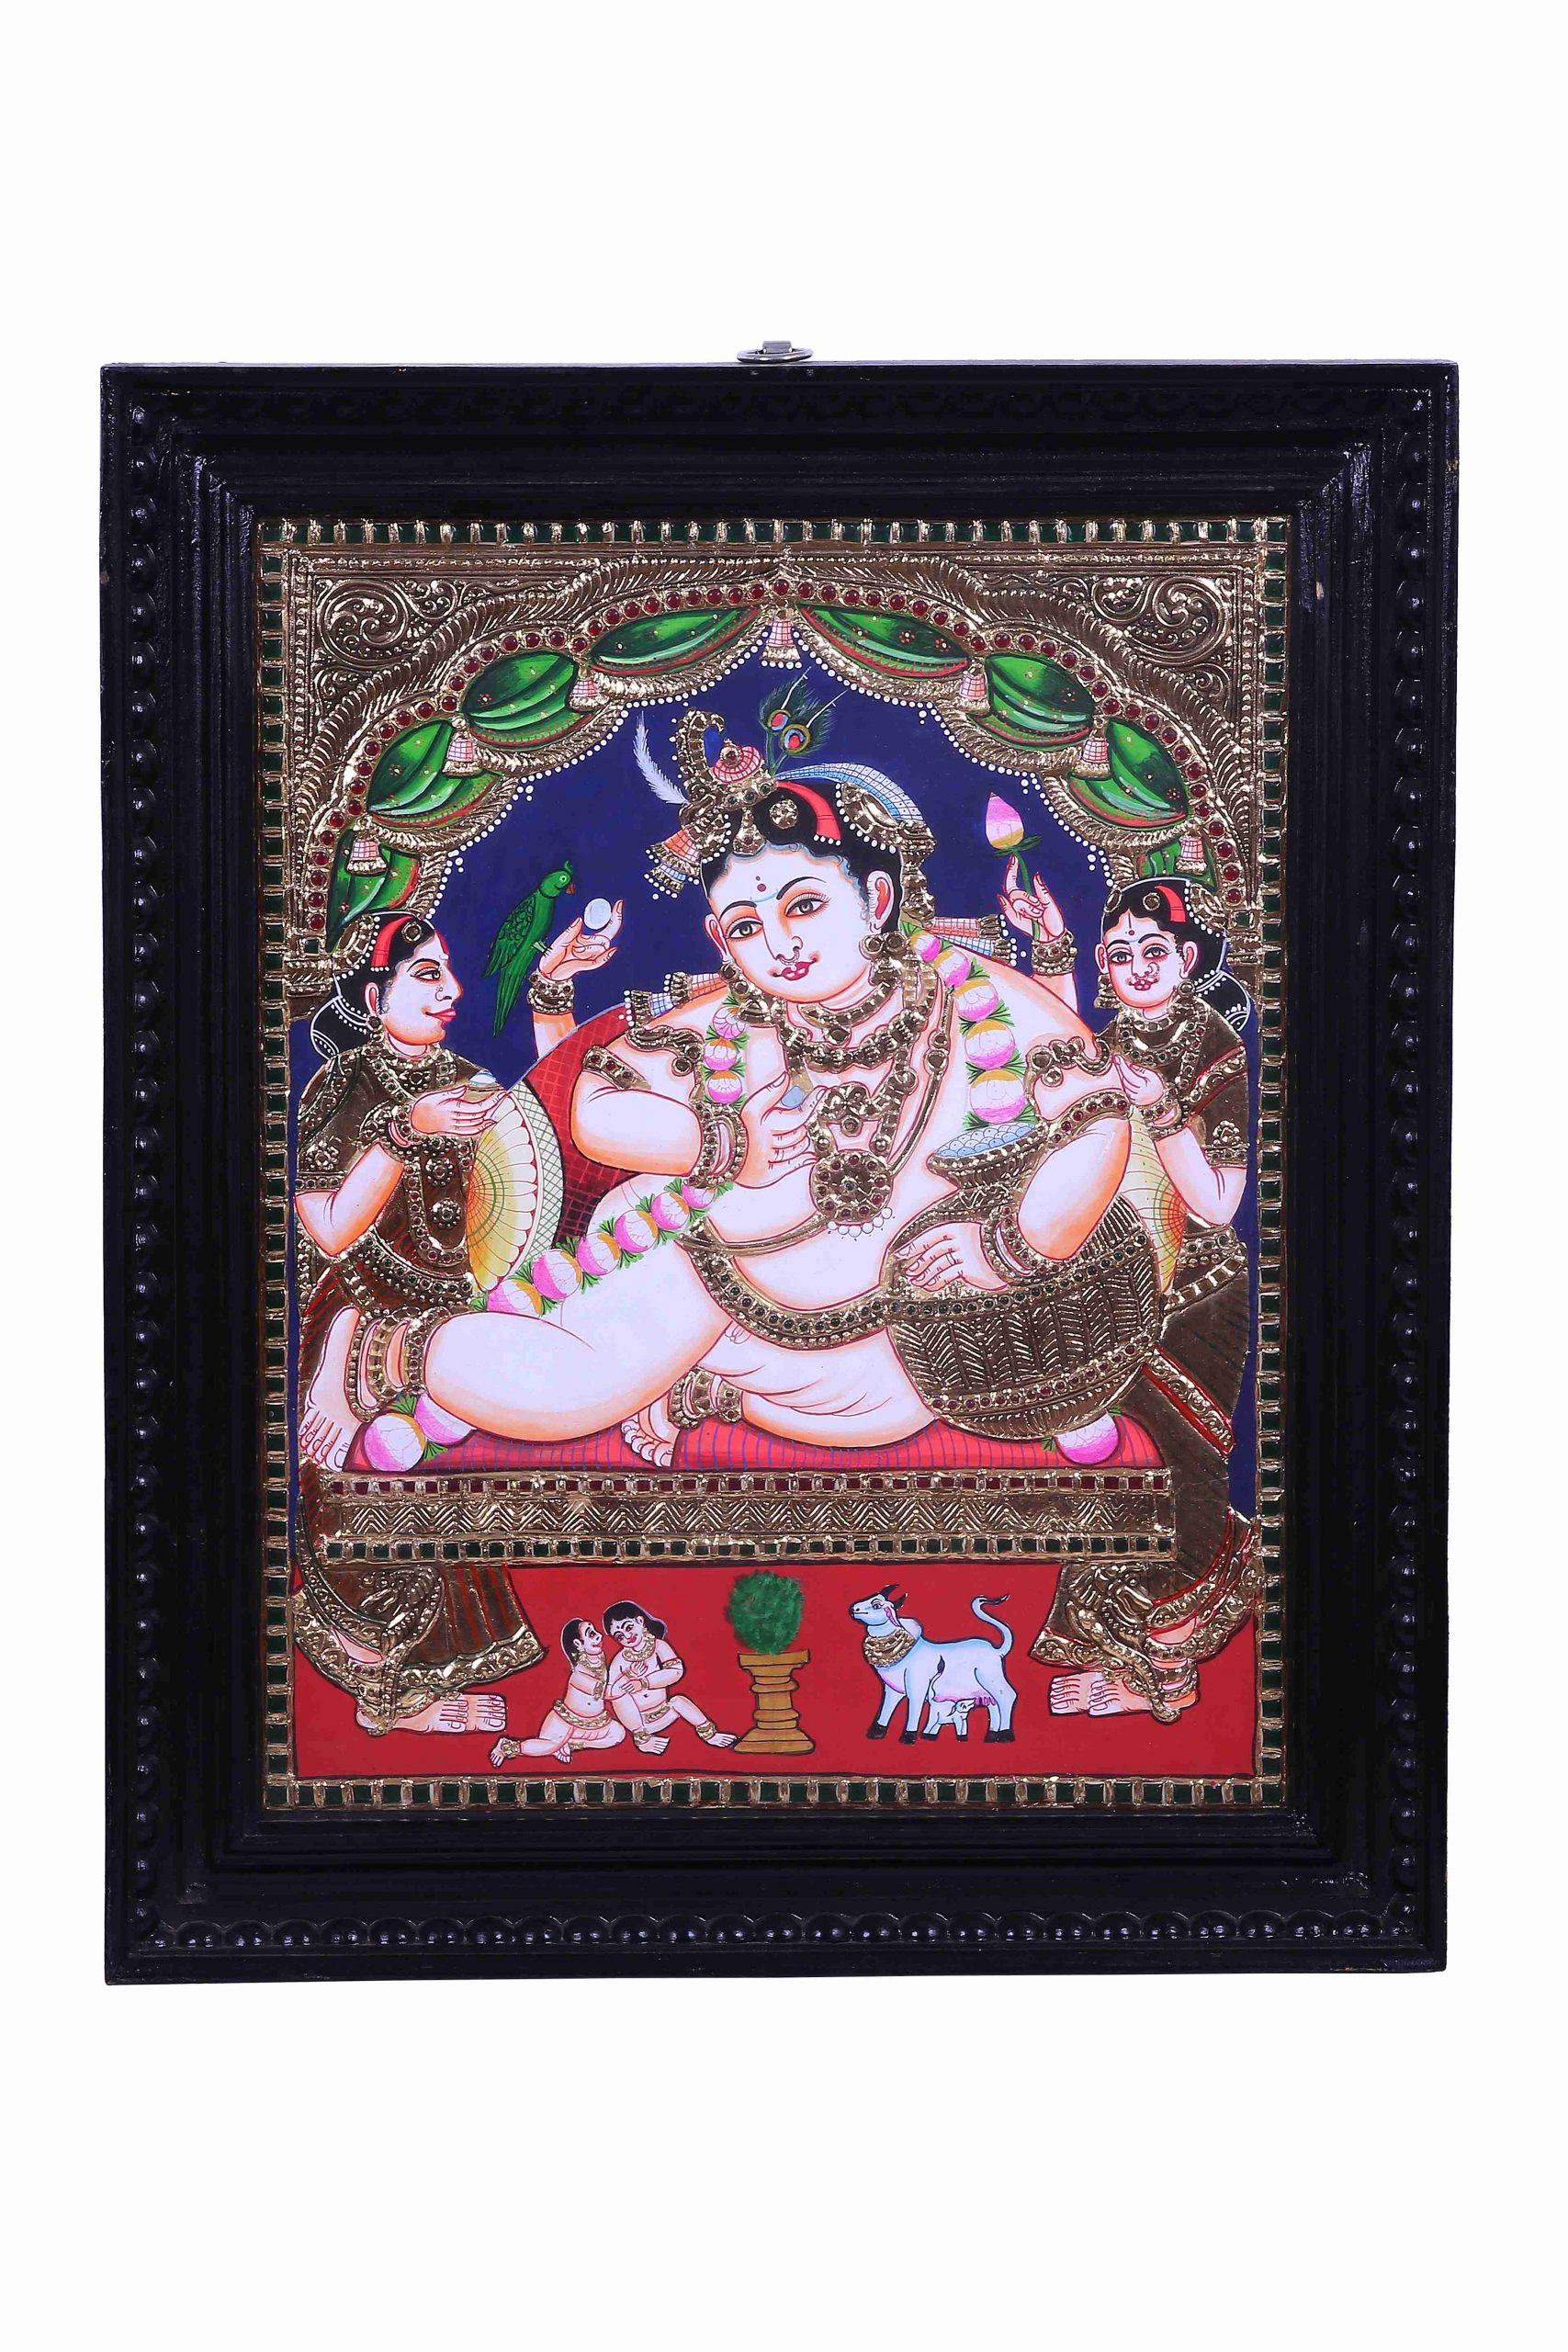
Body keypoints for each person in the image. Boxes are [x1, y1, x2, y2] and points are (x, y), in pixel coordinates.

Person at [300, 709, 1161, 1465]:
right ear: (720, 939)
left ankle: (702, 1389)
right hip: (700, 1263)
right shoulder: (736, 1015)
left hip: (867, 1319)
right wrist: (722, 1144)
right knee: (565, 1396)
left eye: (805, 906)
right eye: (747, 926)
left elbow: (1097, 1117)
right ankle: (379, 1351)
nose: (780, 944)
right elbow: (596, 1104)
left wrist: (1007, 1245)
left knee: (885, 1413)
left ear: (877, 898)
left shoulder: (971, 996)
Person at [291, 910, 615, 1735]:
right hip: (358, 1312)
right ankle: (383, 1690)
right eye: (426, 975)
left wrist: (551, 993)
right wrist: (404, 1133)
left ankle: (419, 1679)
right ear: (376, 997)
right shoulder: (345, 1085)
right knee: (366, 1481)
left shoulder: (468, 1083)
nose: (452, 991)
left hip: (455, 1316)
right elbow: (327, 1231)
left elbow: (552, 1138)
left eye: (448, 972)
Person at [1035, 879, 1259, 1722]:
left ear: (1187, 959)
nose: (1135, 967)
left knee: (1181, 1472)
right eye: (1120, 953)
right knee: (1113, 1466)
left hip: (1195, 1295)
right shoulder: (1120, 1037)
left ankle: (1162, 1673)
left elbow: (1219, 1204)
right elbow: (1061, 1056)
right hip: (1116, 1286)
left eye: (1153, 951)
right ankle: (1122, 1656)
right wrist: (1048, 945)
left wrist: (1160, 1111)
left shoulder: (1217, 1054)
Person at [490, 1621, 627, 1766]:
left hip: (594, 1724)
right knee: (550, 1746)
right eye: (591, 1634)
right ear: (578, 1644)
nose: (599, 1636)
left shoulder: (599, 1658)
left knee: (617, 1734)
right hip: (565, 1723)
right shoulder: (579, 1672)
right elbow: (605, 1693)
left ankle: (573, 1744)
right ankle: (507, 1747)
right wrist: (629, 1677)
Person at [604, 1602, 737, 1752]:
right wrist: (628, 1676)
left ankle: (710, 1734)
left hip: (665, 1713)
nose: (627, 1637)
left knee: (678, 1701)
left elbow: (676, 1671)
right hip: (639, 1722)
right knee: (620, 1698)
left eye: (629, 1628)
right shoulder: (620, 1660)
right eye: (620, 1636)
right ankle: (643, 1741)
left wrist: (644, 1682)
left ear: (640, 1622)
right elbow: (608, 1693)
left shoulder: (658, 1646)